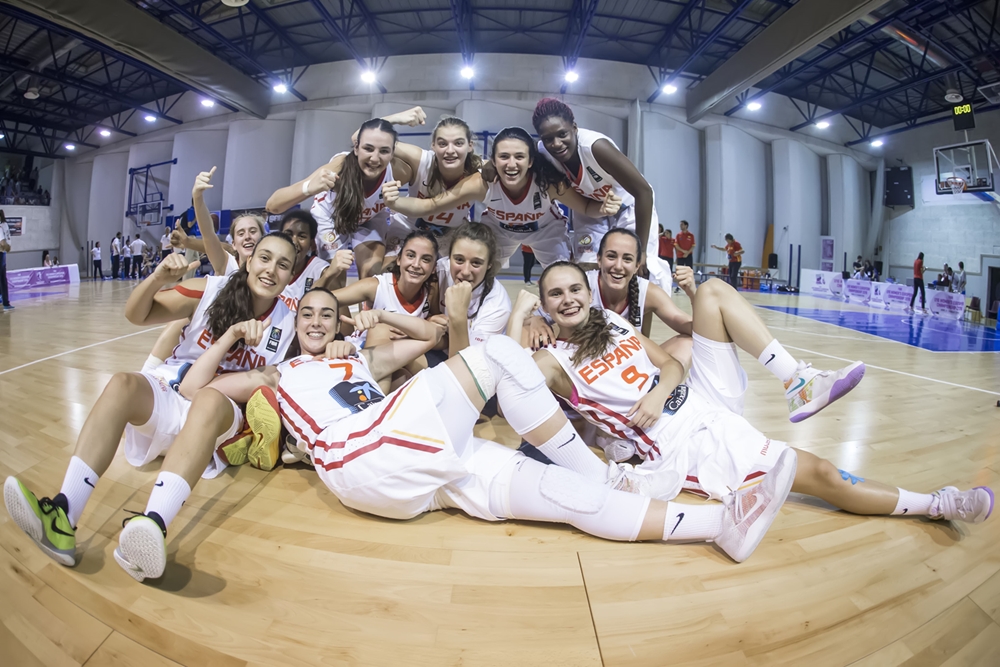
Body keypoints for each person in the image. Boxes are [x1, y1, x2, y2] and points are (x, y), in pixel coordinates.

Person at [178, 289, 796, 572]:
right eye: (307, 314)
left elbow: (430, 336)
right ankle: (612, 475)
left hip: (415, 460)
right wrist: (230, 335)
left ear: (341, 323)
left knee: (566, 496)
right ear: (293, 326)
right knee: (498, 353)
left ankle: (720, 525)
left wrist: (370, 324)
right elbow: (193, 390)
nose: (316, 322)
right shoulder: (279, 371)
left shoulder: (361, 359)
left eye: (327, 314)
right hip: (356, 452)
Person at [510, 264, 993, 526]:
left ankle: (798, 380)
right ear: (545, 303)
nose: (568, 299)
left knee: (713, 292)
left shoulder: (613, 322)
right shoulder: (550, 362)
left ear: (589, 293)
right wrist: (521, 315)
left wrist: (659, 393)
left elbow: (672, 365)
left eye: (575, 289)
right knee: (824, 474)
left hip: (698, 399)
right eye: (555, 294)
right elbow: (507, 383)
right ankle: (938, 504)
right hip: (681, 443)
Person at [3, 234, 300, 574]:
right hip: (171, 391)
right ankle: (62, 514)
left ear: (291, 276)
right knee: (122, 383)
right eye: (265, 258)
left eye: (283, 264)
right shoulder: (209, 290)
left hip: (218, 413)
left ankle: (153, 525)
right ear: (248, 261)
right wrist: (157, 278)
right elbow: (137, 314)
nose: (271, 269)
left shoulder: (289, 323)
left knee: (208, 398)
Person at [384, 126, 621, 270]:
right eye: (504, 157)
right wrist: (394, 202)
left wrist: (603, 208)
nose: (511, 164)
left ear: (530, 161)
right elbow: (430, 205)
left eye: (519, 157)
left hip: (545, 230)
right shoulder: (481, 182)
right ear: (494, 161)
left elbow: (586, 207)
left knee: (563, 276)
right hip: (500, 231)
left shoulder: (547, 182)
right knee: (473, 273)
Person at [531, 99, 671, 292]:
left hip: (628, 207)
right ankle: (595, 312)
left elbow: (644, 192)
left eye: (562, 134)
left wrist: (643, 250)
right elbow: (514, 153)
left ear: (574, 128)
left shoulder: (596, 147)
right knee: (586, 267)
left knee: (635, 266)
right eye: (548, 139)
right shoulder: (542, 151)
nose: (556, 144)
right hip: (589, 210)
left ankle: (647, 307)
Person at [266, 117, 422, 283]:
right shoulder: (339, 167)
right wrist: (308, 188)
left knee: (373, 276)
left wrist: (398, 204)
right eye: (368, 149)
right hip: (332, 218)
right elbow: (273, 205)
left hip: (369, 220)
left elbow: (427, 202)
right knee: (334, 279)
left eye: (384, 151)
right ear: (356, 148)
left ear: (392, 153)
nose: (375, 158)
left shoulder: (400, 172)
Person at [381, 113, 483, 258]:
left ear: (470, 146)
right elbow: (360, 139)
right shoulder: (421, 160)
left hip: (451, 234)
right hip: (409, 226)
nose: (450, 150)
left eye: (458, 143)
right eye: (442, 144)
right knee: (388, 267)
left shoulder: (479, 171)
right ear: (433, 145)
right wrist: (395, 119)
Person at [0, 210, 11, 310]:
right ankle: (5, 303)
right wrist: (8, 247)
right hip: (1, 253)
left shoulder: (3, 226)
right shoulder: (2, 227)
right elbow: (3, 243)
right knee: (3, 280)